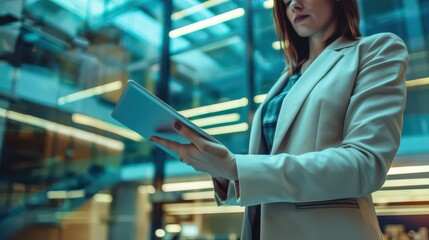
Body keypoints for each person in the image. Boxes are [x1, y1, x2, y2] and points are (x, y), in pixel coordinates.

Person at [151, 0, 408, 239]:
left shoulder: (376, 49)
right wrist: (222, 173)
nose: (294, 5)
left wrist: (237, 167)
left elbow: (365, 164)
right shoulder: (288, 77)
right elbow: (271, 165)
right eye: (285, 2)